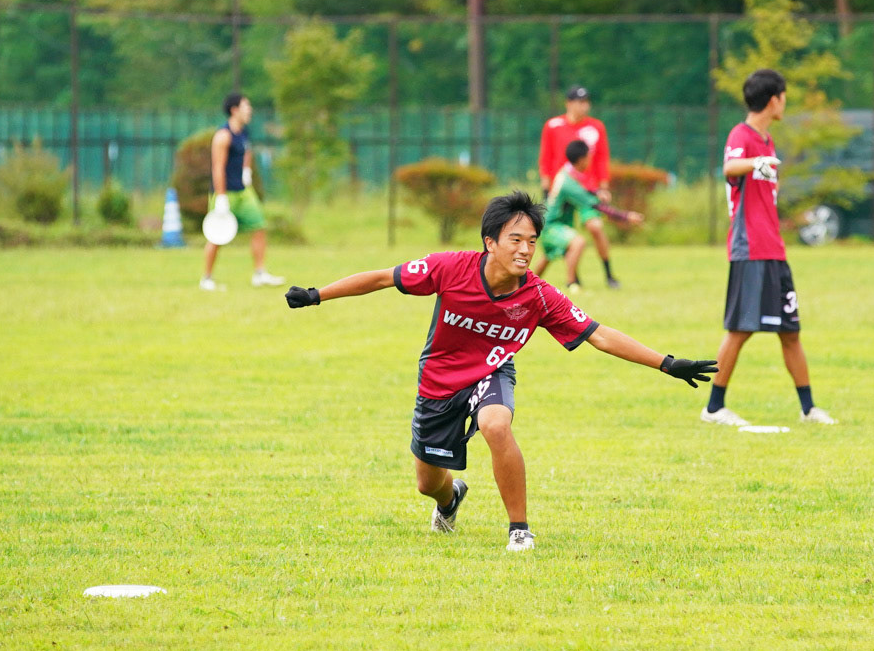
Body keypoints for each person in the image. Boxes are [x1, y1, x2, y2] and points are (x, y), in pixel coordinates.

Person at [283, 190, 715, 552]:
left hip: (490, 372)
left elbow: (598, 335)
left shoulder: (540, 297)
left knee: (495, 424)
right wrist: (318, 295)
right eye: (515, 240)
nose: (525, 250)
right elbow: (383, 278)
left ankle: (519, 531)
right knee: (427, 483)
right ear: (490, 242)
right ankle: (450, 500)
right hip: (438, 380)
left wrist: (667, 363)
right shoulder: (449, 268)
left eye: (532, 241)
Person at [701, 69, 836, 428]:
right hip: (750, 250)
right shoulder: (741, 135)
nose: (785, 103)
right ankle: (714, 408)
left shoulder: (768, 140)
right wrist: (753, 163)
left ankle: (808, 408)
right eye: (784, 96)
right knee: (740, 330)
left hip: (774, 250)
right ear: (774, 99)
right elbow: (729, 166)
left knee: (790, 331)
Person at [200, 92, 285, 291]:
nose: (250, 110)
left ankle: (260, 274)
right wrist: (221, 197)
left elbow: (247, 152)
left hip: (243, 191)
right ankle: (207, 278)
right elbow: (218, 167)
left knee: (259, 226)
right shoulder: (223, 136)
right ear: (234, 110)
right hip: (225, 193)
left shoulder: (243, 132)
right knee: (216, 236)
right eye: (246, 106)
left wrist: (246, 171)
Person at [538, 86, 621, 287]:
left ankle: (609, 274)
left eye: (586, 102)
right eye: (579, 102)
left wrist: (603, 186)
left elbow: (602, 158)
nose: (584, 106)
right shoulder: (553, 125)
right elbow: (546, 157)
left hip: (587, 189)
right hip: (563, 190)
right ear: (568, 103)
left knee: (595, 227)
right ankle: (571, 279)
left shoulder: (595, 127)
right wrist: (546, 188)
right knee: (565, 236)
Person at [535, 139, 641, 292]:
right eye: (589, 157)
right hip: (551, 226)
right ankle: (571, 284)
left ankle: (521, 287)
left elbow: (584, 190)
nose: (590, 160)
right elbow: (595, 205)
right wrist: (626, 216)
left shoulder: (567, 174)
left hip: (550, 225)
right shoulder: (568, 182)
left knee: (548, 256)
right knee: (578, 242)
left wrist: (597, 192)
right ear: (581, 159)